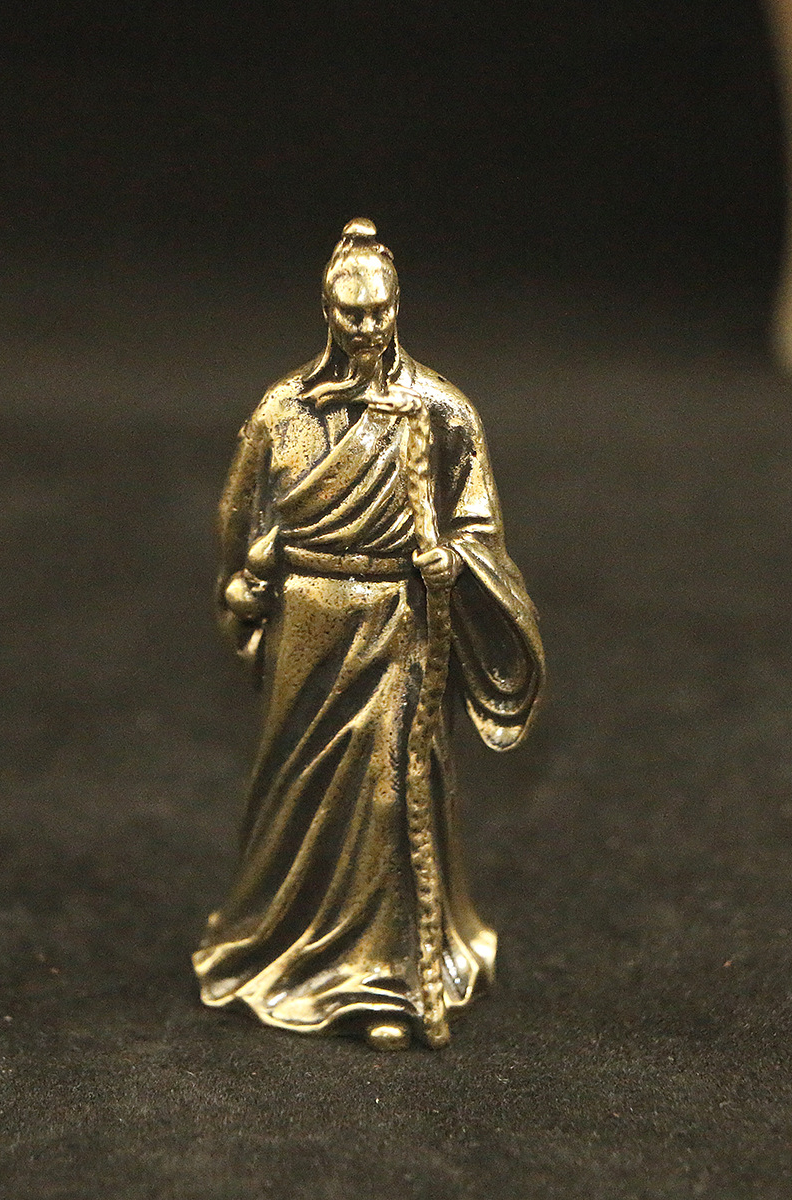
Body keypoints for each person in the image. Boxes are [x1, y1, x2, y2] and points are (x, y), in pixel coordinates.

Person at [194, 219, 544, 1050]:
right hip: (310, 620)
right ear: (327, 311)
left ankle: (386, 980)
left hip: (399, 624)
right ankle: (275, 946)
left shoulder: (441, 411)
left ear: (397, 308)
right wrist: (247, 588)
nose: (365, 327)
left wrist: (453, 560)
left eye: (378, 312)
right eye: (350, 313)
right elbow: (241, 510)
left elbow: (479, 523)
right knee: (292, 789)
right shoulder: (283, 410)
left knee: (392, 795)